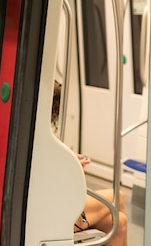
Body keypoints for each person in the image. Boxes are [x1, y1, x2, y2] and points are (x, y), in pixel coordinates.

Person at [52, 81, 128, 246]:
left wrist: (68, 160)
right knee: (118, 196)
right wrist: (73, 168)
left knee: (120, 223)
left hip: (55, 203)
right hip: (57, 212)